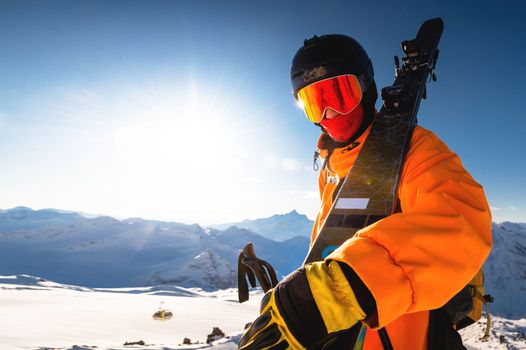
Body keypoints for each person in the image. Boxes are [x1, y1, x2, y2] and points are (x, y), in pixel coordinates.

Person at [238, 34, 492, 349]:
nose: (329, 114)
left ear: (366, 86)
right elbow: (335, 243)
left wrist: (343, 289)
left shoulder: (413, 149)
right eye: (315, 104)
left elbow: (462, 218)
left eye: (339, 95)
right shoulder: (331, 169)